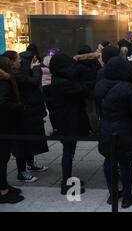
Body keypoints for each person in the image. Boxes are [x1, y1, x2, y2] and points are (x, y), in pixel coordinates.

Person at [95, 56, 132, 208]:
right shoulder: (128, 88)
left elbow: (98, 110)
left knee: (108, 161)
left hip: (106, 128)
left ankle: (112, 194)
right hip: (126, 130)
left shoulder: (100, 85)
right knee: (126, 163)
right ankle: (127, 197)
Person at [4, 50, 49, 183]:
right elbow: (34, 82)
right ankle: (21, 171)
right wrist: (35, 69)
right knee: (21, 143)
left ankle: (30, 163)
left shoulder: (18, 72)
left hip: (28, 112)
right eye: (18, 59)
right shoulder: (16, 74)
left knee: (29, 140)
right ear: (11, 62)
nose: (20, 61)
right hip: (20, 114)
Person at [50, 53, 90, 195]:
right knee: (68, 151)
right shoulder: (63, 82)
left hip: (65, 120)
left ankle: (68, 178)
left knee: (69, 151)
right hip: (67, 121)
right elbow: (83, 90)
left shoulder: (59, 78)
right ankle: (66, 183)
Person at [0, 57, 24, 204]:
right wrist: (19, 107)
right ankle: (2, 191)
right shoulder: (3, 84)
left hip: (5, 126)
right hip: (3, 126)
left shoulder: (5, 82)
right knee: (2, 158)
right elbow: (2, 105)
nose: (18, 62)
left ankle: (3, 185)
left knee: (4, 158)